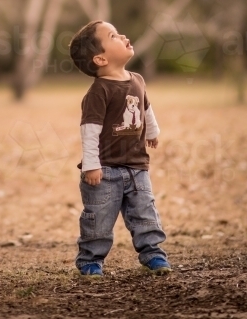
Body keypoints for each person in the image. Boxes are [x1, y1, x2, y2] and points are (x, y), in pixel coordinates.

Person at [68, 20, 172, 277]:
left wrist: (153, 131)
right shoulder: (99, 91)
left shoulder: (137, 79)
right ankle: (90, 260)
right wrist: (91, 165)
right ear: (101, 59)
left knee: (145, 213)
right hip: (105, 171)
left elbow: (146, 108)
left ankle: (153, 254)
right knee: (98, 220)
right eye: (113, 35)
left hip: (137, 165)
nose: (123, 35)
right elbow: (90, 130)